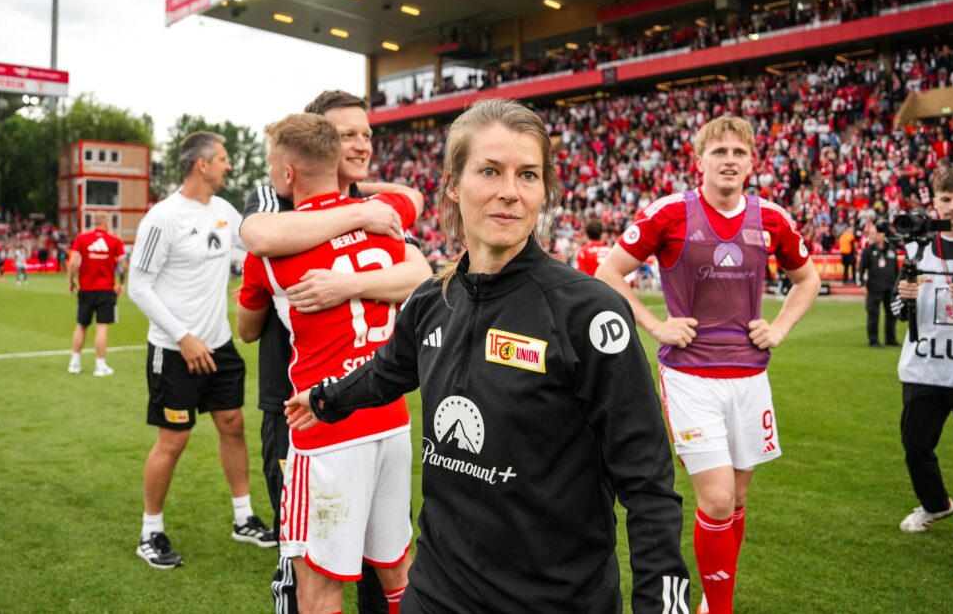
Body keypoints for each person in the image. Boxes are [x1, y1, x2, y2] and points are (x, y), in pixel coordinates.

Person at [287, 99, 690, 613]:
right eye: (489, 171)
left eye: (528, 175)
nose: (509, 192)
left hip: (555, 601)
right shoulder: (432, 301)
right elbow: (389, 370)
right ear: (453, 184)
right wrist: (324, 399)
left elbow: (647, 480)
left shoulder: (588, 313)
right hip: (435, 594)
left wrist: (664, 603)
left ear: (544, 191)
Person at [595, 115, 820, 614]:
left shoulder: (773, 218)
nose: (729, 161)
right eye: (719, 153)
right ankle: (720, 610)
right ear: (700, 162)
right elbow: (608, 271)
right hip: (690, 376)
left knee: (738, 498)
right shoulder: (670, 212)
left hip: (750, 377)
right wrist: (655, 326)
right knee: (717, 500)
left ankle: (715, 599)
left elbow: (808, 279)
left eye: (739, 153)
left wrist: (778, 328)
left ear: (752, 163)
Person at [240, 90, 428, 613]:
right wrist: (357, 215)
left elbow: (248, 321)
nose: (361, 143)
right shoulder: (375, 218)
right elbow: (255, 230)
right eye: (347, 134)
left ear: (290, 169)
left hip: (322, 419)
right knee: (395, 571)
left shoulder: (291, 242)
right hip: (384, 412)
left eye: (367, 134)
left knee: (319, 584)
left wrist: (343, 281)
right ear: (322, 138)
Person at [128, 131, 274, 570]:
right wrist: (183, 336)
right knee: (174, 440)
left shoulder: (225, 212)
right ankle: (150, 531)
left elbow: (258, 248)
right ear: (202, 165)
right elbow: (139, 285)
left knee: (232, 425)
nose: (230, 166)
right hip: (174, 351)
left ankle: (243, 518)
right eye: (224, 159)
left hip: (220, 346)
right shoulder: (162, 217)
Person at [892, 168, 953, 573]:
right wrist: (903, 297)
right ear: (934, 200)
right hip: (923, 369)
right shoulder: (918, 248)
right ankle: (937, 505)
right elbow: (897, 312)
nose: (952, 207)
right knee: (916, 448)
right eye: (946, 198)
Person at [67, 212, 126, 376]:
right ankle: (100, 366)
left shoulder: (82, 239)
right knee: (102, 327)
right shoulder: (115, 241)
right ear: (106, 222)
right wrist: (121, 283)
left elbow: (73, 262)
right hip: (106, 290)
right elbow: (122, 264)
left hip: (86, 289)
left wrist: (71, 281)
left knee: (81, 325)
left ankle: (74, 363)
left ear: (93, 223)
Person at [859, 219, 900, 348]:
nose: (872, 236)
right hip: (874, 288)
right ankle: (873, 340)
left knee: (892, 314)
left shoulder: (891, 249)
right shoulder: (868, 251)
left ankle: (890, 339)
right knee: (873, 314)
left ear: (883, 234)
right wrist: (861, 284)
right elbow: (861, 269)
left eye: (875, 233)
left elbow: (896, 269)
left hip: (890, 287)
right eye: (871, 234)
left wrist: (897, 284)